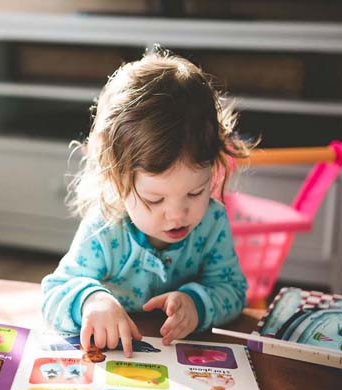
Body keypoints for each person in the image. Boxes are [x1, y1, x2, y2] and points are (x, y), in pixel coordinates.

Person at [41, 48, 251, 357]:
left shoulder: (212, 223)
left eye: (196, 192)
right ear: (115, 181)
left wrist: (196, 303)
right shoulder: (106, 228)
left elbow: (233, 290)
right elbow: (54, 292)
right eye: (155, 199)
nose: (178, 214)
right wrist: (91, 301)